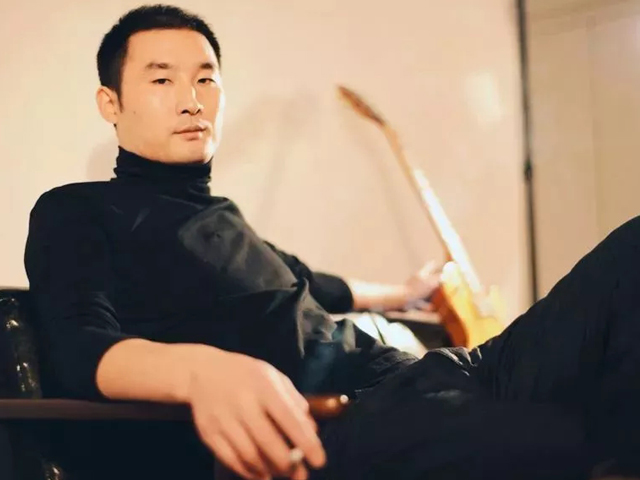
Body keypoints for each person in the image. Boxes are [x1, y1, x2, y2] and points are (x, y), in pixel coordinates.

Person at [23, 5, 639, 480]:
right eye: (162, 79)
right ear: (110, 102)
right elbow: (80, 346)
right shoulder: (78, 210)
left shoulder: (223, 219)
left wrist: (404, 293)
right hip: (337, 420)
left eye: (205, 79)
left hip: (437, 374)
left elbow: (313, 284)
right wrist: (201, 372)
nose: (191, 101)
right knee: (574, 436)